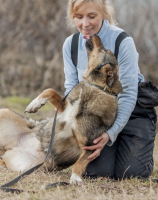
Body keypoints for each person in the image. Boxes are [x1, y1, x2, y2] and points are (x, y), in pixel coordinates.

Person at [63, 0, 157, 179]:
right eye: (79, 17)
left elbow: (128, 93)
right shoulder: (70, 44)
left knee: (131, 173)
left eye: (92, 16)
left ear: (104, 14)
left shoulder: (123, 41)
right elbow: (71, 88)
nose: (85, 24)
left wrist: (111, 134)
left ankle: (138, 143)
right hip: (97, 116)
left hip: (131, 111)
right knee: (96, 173)